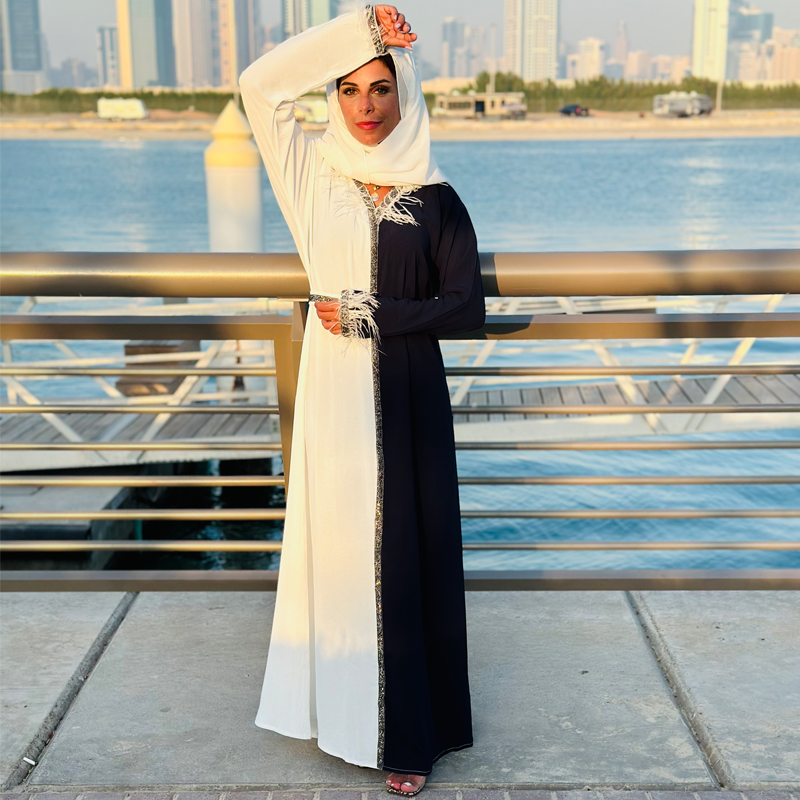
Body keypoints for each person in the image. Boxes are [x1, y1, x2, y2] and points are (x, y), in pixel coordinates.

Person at [238, 4, 486, 795]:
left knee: (409, 558)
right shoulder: (312, 176)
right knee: (346, 559)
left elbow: (465, 306)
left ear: (405, 93)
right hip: (336, 397)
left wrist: (373, 314)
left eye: (381, 87)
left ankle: (411, 738)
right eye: (349, 90)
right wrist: (358, 32)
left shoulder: (437, 197)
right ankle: (344, 716)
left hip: (409, 394)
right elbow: (259, 86)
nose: (366, 106)